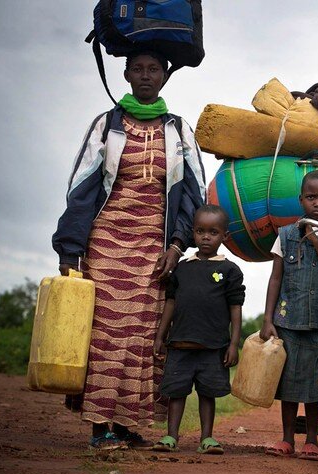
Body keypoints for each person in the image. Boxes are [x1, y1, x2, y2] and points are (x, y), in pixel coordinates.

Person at [52, 50, 206, 449]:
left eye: (153, 69)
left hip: (154, 246)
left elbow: (193, 194)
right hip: (106, 242)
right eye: (137, 69)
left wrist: (177, 245)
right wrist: (70, 251)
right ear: (125, 73)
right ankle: (99, 427)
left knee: (142, 336)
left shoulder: (179, 130)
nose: (145, 76)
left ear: (164, 76)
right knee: (106, 333)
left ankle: (125, 425)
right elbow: (82, 186)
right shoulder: (107, 125)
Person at [260, 170, 318, 461]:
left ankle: (312, 439)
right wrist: (267, 319)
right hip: (289, 320)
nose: (317, 203)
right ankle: (287, 438)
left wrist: (314, 241)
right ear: (301, 200)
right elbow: (276, 279)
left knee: (316, 384)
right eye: (311, 197)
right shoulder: (285, 235)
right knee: (288, 384)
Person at [152, 205, 244, 454]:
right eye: (200, 231)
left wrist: (234, 344)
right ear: (192, 233)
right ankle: (170, 437)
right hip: (179, 344)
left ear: (224, 236)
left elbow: (236, 309)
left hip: (213, 346)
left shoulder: (230, 271)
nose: (206, 237)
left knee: (208, 393)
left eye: (213, 232)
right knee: (176, 392)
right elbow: (170, 303)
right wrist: (161, 336)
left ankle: (207, 439)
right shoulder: (181, 268)